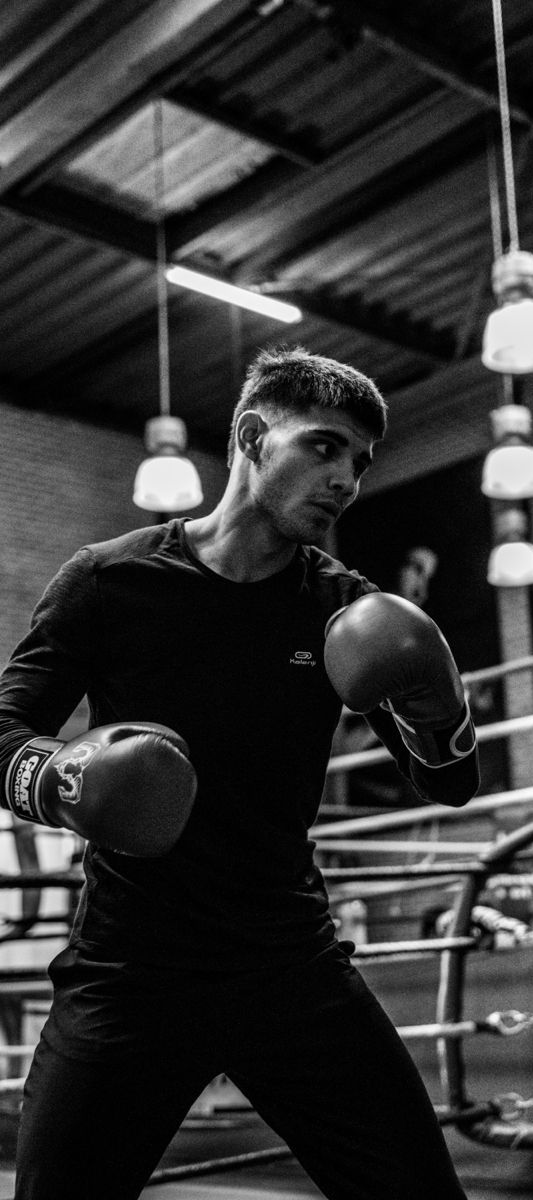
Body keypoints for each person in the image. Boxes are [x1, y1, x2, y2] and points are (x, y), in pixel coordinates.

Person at [0, 347, 480, 1200]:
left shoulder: (347, 607)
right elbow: (5, 729)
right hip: (131, 969)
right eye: (325, 448)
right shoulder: (109, 580)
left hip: (288, 967)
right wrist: (66, 780)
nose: (347, 480)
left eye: (360, 463)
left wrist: (442, 717)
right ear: (255, 438)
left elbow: (447, 785)